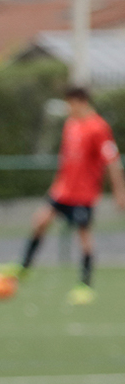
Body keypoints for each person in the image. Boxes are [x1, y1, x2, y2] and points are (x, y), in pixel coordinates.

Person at [15, 85, 123, 305]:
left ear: (81, 102)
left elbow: (112, 162)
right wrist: (56, 185)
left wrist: (119, 191)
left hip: (83, 194)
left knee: (84, 237)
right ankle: (24, 268)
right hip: (62, 191)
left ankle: (85, 285)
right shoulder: (71, 124)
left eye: (70, 103)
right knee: (40, 221)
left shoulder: (98, 128)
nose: (68, 108)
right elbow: (67, 159)